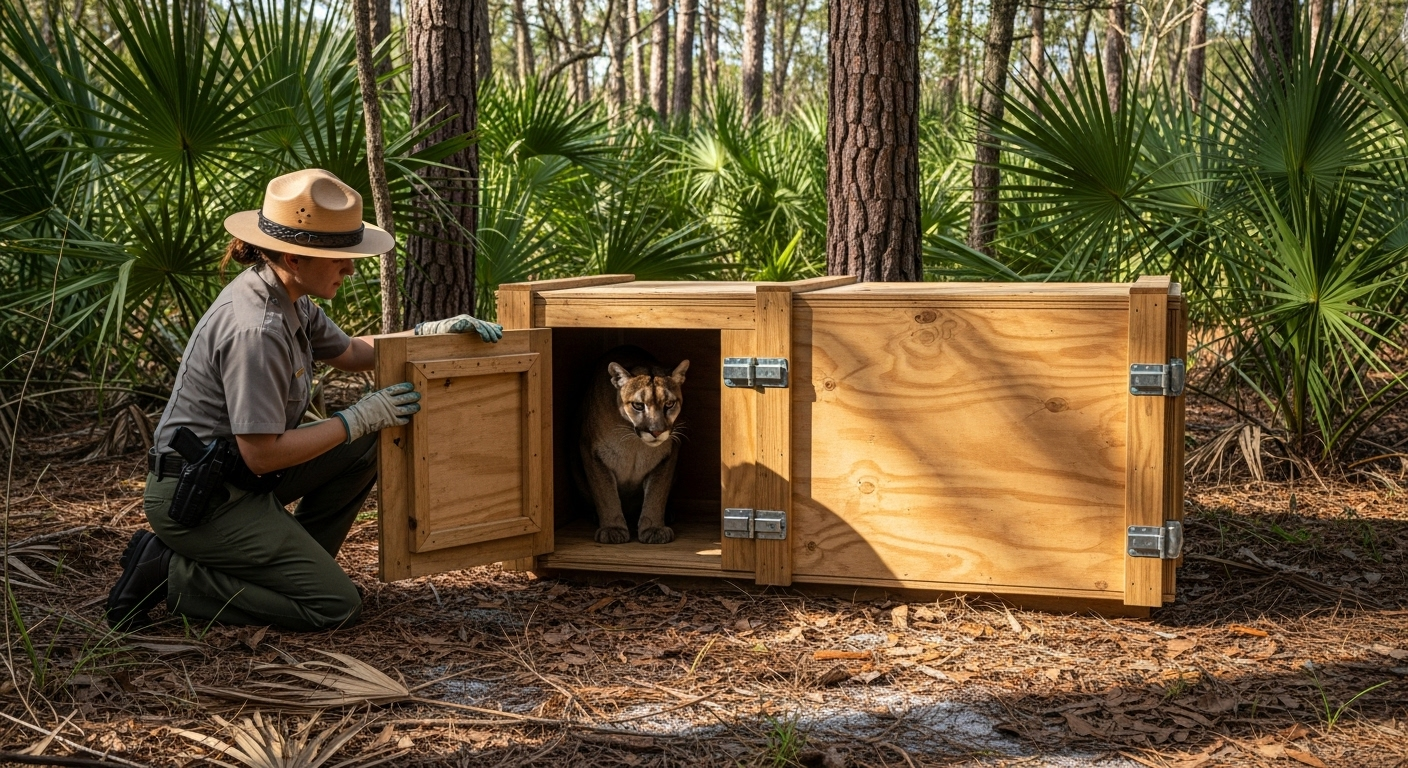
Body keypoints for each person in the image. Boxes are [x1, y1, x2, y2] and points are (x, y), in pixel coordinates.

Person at [106, 168, 503, 632]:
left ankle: (297, 567)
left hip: (240, 478)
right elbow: (261, 455)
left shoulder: (290, 296)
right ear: (295, 258)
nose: (351, 268)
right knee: (335, 606)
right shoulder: (257, 328)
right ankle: (169, 573)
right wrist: (357, 417)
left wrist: (426, 336)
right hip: (202, 497)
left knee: (364, 444)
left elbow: (353, 353)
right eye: (339, 259)